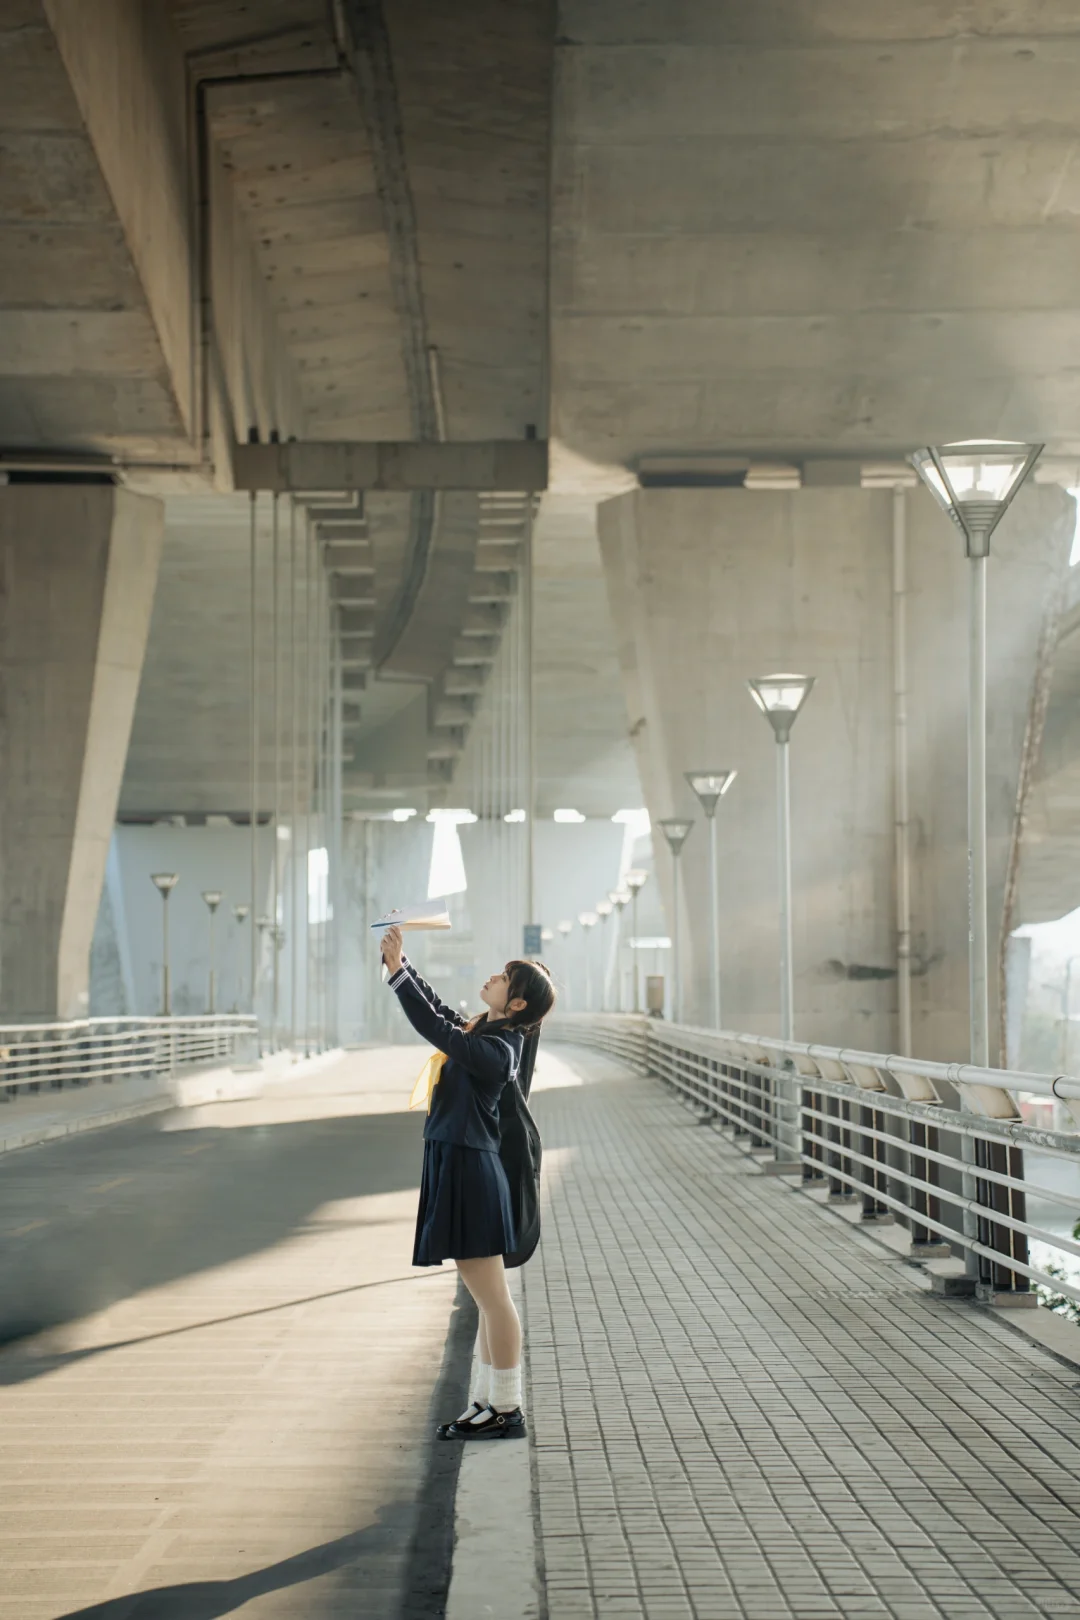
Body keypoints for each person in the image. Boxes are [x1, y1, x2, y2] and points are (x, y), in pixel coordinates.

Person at [380, 925, 556, 1440]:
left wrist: (396, 975)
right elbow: (438, 1014)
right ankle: (486, 1402)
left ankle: (507, 1407)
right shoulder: (487, 1035)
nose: (492, 977)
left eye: (503, 978)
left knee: (494, 1299)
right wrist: (402, 964)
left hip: (471, 1174)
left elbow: (437, 1031)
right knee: (486, 1299)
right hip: (458, 1165)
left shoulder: (501, 1050)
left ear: (517, 1003)